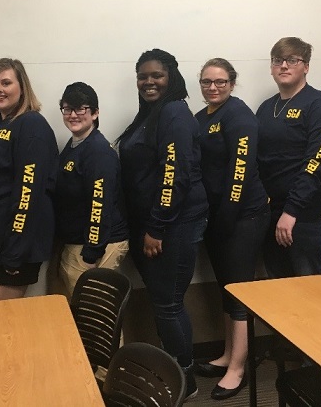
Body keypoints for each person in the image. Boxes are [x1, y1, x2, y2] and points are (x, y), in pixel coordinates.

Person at [117, 48, 208, 400]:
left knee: (168, 304)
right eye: (142, 76)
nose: (149, 82)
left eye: (157, 75)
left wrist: (156, 227)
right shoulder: (150, 114)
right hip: (152, 224)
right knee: (162, 302)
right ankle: (171, 369)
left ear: (171, 77)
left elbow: (174, 175)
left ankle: (185, 379)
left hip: (173, 225)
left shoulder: (174, 113)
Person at [194, 58, 270, 400]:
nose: (213, 87)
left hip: (243, 217)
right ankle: (228, 354)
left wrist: (225, 217)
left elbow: (240, 170)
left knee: (239, 290)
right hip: (217, 218)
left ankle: (239, 367)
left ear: (232, 83)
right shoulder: (202, 117)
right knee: (227, 288)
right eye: (207, 82)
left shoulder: (239, 115)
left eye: (220, 82)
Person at [0, 58, 58, 303]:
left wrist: (15, 250)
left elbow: (29, 192)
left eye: (6, 83)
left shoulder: (31, 124)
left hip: (12, 246)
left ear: (22, 87)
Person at [256, 37, 321, 278]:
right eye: (278, 60)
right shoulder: (266, 108)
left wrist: (291, 211)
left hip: (309, 218)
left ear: (306, 66)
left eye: (292, 60)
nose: (284, 65)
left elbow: (317, 164)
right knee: (280, 290)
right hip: (274, 215)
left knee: (311, 293)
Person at [53, 82, 129, 297]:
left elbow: (99, 205)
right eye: (67, 109)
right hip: (77, 241)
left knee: (91, 308)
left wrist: (92, 253)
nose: (73, 115)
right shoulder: (75, 145)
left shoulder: (98, 152)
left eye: (80, 109)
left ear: (95, 113)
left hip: (99, 244)